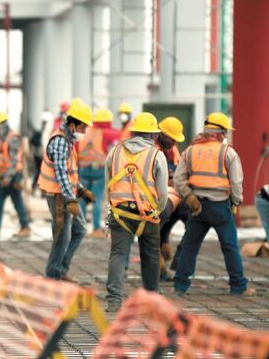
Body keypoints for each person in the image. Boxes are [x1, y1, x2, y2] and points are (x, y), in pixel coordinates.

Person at [173, 113, 253, 296]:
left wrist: (190, 198)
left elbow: (178, 180)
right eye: (224, 133)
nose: (225, 137)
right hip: (220, 207)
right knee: (230, 247)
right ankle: (238, 287)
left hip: (197, 207)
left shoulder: (190, 151)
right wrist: (235, 202)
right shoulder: (228, 152)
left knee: (190, 247)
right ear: (218, 134)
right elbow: (236, 183)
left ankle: (180, 286)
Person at [104, 112, 169, 311]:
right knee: (150, 256)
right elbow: (163, 192)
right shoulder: (157, 155)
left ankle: (114, 300)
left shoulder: (114, 152)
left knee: (117, 255)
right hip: (148, 215)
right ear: (154, 135)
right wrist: (158, 210)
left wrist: (112, 206)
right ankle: (151, 300)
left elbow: (108, 184)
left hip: (120, 213)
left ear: (133, 132)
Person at [37, 99, 95, 282]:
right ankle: (54, 274)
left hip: (65, 194)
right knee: (62, 235)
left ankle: (60, 269)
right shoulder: (61, 141)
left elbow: (69, 175)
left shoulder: (68, 140)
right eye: (83, 127)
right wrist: (70, 199)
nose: (84, 132)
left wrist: (81, 190)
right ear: (72, 124)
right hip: (59, 196)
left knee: (79, 231)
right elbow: (60, 173)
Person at [0, 112, 30, 238]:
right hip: (4, 176)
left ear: (2, 125)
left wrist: (8, 177)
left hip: (12, 176)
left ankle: (25, 227)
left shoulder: (12, 138)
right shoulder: (2, 138)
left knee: (17, 201)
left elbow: (14, 161)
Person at [156, 116, 189, 279]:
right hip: (157, 200)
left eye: (175, 140)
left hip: (175, 199)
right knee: (155, 226)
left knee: (197, 220)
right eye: (171, 138)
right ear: (162, 134)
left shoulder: (174, 152)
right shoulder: (151, 151)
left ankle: (178, 265)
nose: (173, 143)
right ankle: (158, 269)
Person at [78, 108, 119, 237]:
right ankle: (96, 228)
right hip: (99, 171)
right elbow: (117, 141)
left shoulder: (86, 132)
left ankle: (80, 228)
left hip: (84, 170)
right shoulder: (106, 133)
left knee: (83, 200)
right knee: (96, 199)